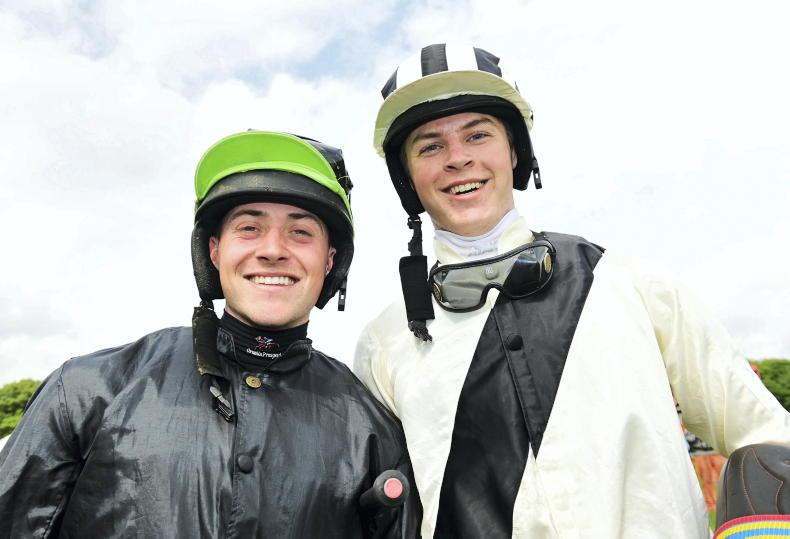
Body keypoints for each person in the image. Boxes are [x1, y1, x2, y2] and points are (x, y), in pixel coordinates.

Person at [354, 43, 790, 538]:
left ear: (514, 151)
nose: (458, 158)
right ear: (407, 178)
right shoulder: (383, 343)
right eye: (430, 146)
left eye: (478, 134)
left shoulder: (633, 284)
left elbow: (769, 441)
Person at [0, 130, 420, 537]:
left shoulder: (373, 428)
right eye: (249, 228)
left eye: (300, 232)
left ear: (329, 262)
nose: (273, 250)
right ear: (215, 252)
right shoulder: (85, 390)